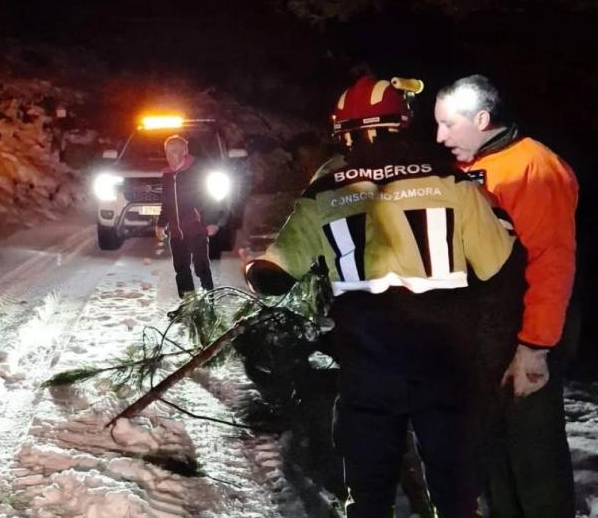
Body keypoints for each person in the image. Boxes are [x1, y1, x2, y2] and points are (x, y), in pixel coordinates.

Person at [244, 76, 515, 517]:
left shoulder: (325, 189)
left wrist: (254, 268)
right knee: (455, 485)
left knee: (369, 489)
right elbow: (495, 264)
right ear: (401, 123)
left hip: (369, 363)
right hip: (445, 359)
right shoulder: (449, 178)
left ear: (345, 132)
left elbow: (275, 275)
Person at [435, 74, 577, 517]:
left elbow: (552, 263)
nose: (439, 137)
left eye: (448, 125)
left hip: (524, 342)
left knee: (535, 465)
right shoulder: (468, 170)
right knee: (495, 466)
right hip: (485, 344)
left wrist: (534, 349)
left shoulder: (531, 167)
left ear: (482, 118)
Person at [156, 135, 224, 298]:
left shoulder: (196, 172)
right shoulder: (167, 175)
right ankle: (188, 303)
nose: (170, 155)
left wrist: (211, 221)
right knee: (181, 268)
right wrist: (160, 224)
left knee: (201, 265)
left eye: (175, 151)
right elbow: (166, 203)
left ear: (184, 151)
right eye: (168, 151)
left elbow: (208, 198)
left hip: (196, 227)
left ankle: (209, 298)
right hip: (176, 231)